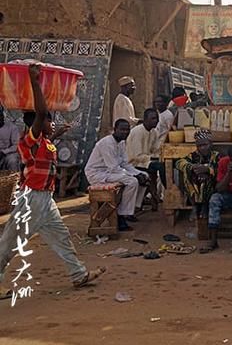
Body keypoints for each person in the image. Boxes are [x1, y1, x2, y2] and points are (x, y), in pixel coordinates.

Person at [0, 64, 105, 300]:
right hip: (32, 198)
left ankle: (78, 274)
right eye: (50, 121)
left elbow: (45, 147)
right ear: (38, 123)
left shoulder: (44, 141)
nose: (52, 123)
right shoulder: (29, 138)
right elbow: (40, 113)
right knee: (9, 243)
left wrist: (56, 134)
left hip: (45, 199)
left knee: (61, 237)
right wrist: (34, 81)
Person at [84, 119, 150, 231]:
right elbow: (114, 167)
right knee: (132, 181)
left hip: (110, 172)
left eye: (127, 130)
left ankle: (133, 209)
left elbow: (125, 164)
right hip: (97, 174)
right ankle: (121, 216)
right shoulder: (107, 143)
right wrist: (134, 176)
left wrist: (138, 173)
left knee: (145, 176)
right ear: (115, 130)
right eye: (122, 130)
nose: (125, 132)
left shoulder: (121, 142)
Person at [175, 129, 218, 220]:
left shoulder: (216, 156)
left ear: (210, 144)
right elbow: (179, 163)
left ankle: (204, 206)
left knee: (207, 177)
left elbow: (220, 169)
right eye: (199, 146)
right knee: (187, 174)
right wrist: (192, 167)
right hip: (195, 184)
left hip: (210, 186)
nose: (202, 148)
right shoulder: (193, 156)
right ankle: (195, 206)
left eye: (205, 145)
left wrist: (207, 170)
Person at [126, 108, 164, 210]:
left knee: (165, 163)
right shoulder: (138, 132)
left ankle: (157, 194)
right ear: (145, 119)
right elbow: (136, 156)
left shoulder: (153, 132)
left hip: (147, 160)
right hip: (135, 163)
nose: (156, 121)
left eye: (156, 118)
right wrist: (153, 157)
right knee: (161, 167)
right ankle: (164, 191)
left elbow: (156, 149)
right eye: (153, 118)